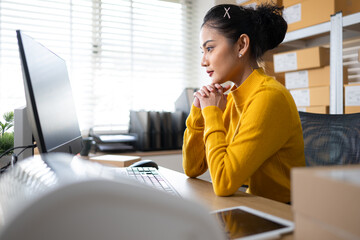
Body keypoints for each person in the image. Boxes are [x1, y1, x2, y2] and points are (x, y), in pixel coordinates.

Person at [182, 4, 305, 203]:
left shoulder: (268, 97)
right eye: (202, 51)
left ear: (241, 45)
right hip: (252, 204)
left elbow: (223, 183)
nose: (203, 61)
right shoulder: (229, 97)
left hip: (283, 213)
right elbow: (192, 168)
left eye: (210, 48)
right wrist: (198, 112)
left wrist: (212, 113)